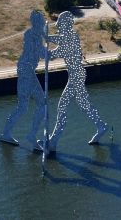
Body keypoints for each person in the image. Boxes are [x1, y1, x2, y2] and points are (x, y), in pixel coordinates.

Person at [45, 11, 108, 151]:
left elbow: (60, 45)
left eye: (60, 25)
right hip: (76, 75)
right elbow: (56, 52)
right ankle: (100, 126)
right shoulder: (67, 38)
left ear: (66, 24)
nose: (59, 27)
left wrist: (46, 37)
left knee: (62, 106)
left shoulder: (72, 36)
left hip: (76, 76)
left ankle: (53, 141)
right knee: (84, 104)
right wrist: (47, 53)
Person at [1, 11, 48, 145]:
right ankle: (32, 135)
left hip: (24, 71)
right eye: (42, 23)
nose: (44, 25)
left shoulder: (35, 35)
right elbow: (40, 52)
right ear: (37, 23)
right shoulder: (32, 35)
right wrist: (49, 48)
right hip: (27, 72)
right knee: (42, 104)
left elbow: (41, 52)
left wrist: (45, 42)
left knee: (23, 107)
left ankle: (6, 133)